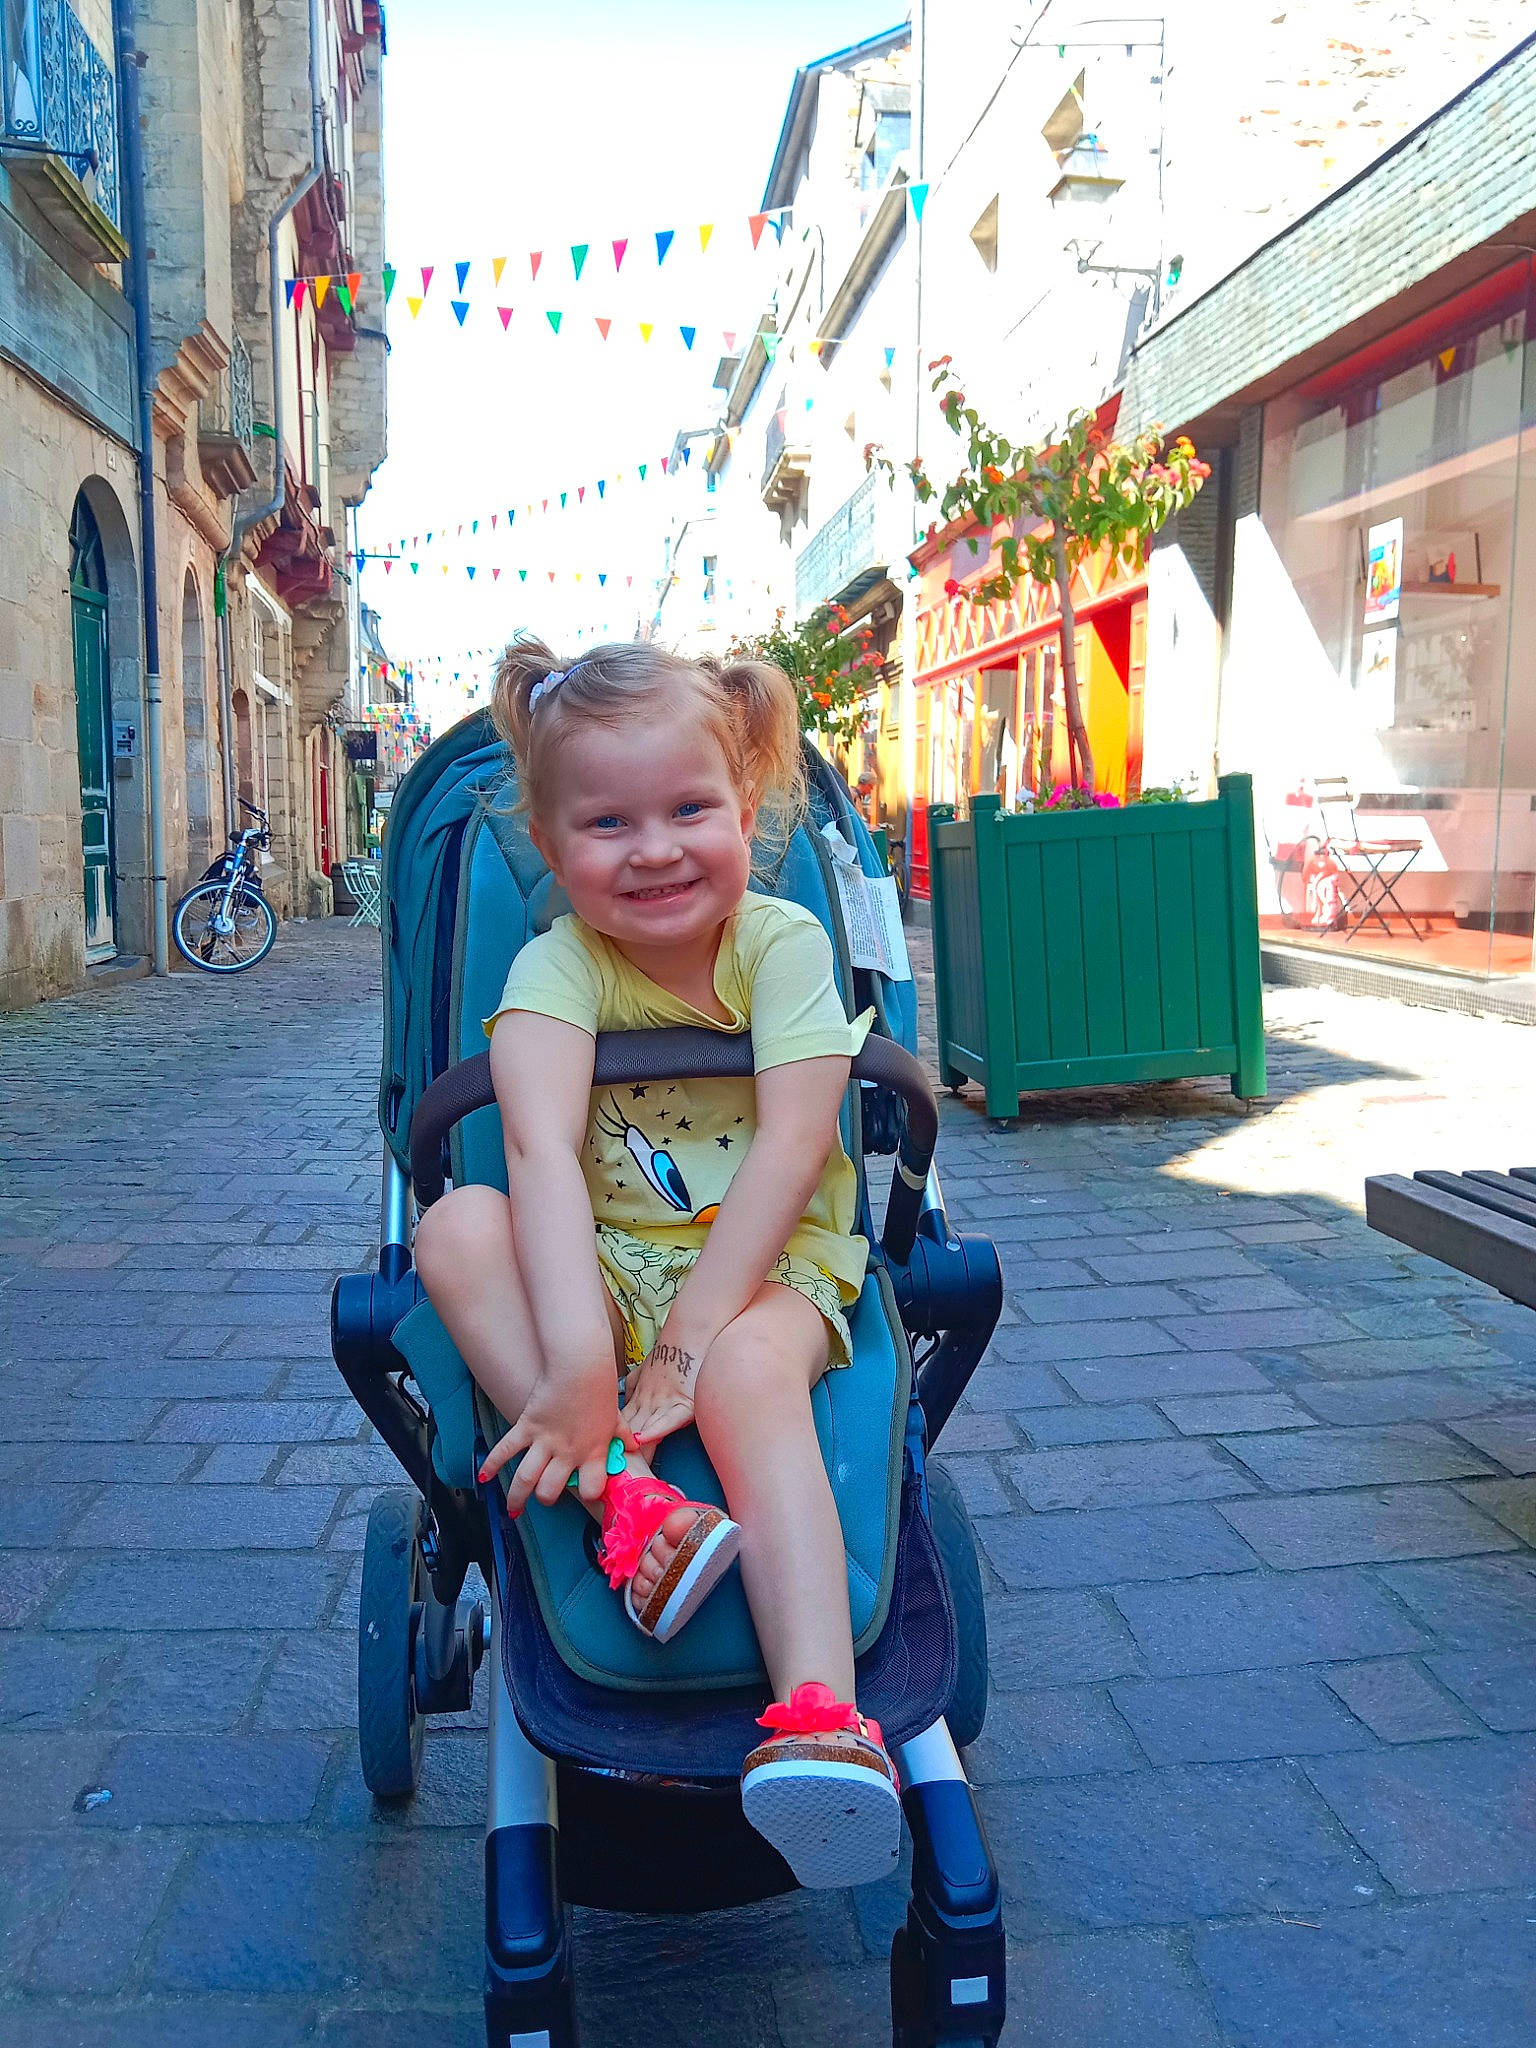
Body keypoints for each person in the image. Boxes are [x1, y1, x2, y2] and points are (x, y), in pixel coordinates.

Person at [413, 637, 901, 1890]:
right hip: (607, 1253)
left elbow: (795, 1143)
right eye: (608, 822)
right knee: (453, 1227)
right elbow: (537, 1148)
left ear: (747, 804)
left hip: (769, 1259)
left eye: (690, 809)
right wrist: (583, 1362)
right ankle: (634, 1507)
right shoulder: (559, 964)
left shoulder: (779, 942)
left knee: (745, 1375)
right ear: (549, 839)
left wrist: (682, 1344)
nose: (655, 849)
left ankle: (821, 1717)